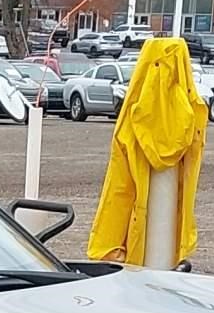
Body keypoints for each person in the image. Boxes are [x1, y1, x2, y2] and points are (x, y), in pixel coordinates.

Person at [86, 36, 207, 269]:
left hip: (138, 241)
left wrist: (109, 244)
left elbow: (119, 189)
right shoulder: (191, 113)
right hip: (165, 239)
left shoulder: (135, 116)